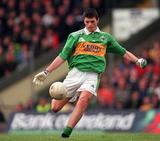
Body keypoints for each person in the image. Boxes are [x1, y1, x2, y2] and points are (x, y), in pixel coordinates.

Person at [33, 8, 147, 138]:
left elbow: (123, 52)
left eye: (92, 21)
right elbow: (62, 56)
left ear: (97, 20)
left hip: (92, 75)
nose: (89, 25)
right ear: (84, 21)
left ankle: (66, 132)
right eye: (87, 22)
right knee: (55, 108)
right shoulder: (75, 36)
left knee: (84, 99)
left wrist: (137, 60)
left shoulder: (106, 38)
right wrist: (46, 72)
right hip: (75, 74)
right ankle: (72, 95)